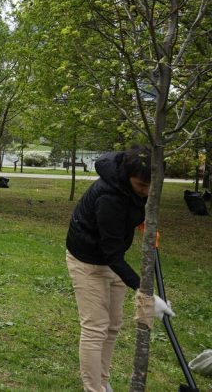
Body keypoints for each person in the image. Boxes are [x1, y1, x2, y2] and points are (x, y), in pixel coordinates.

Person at [65, 146, 174, 392]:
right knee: (95, 327)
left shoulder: (135, 187)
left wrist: (145, 219)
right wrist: (146, 293)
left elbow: (135, 204)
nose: (147, 191)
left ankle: (102, 382)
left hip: (111, 258)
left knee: (113, 325)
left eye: (152, 185)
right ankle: (94, 389)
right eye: (141, 185)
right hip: (87, 259)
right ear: (127, 176)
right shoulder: (109, 197)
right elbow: (111, 253)